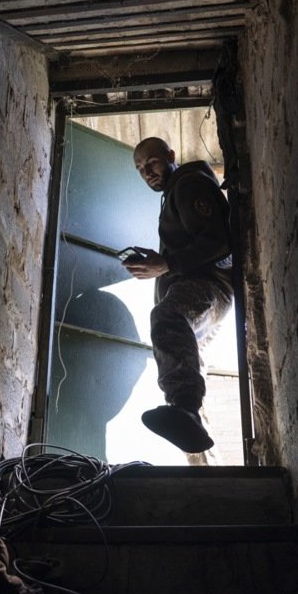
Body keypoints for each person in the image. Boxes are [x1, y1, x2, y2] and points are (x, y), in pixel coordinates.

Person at [123, 136, 234, 453]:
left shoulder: (187, 185)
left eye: (152, 162)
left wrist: (167, 263)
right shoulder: (175, 193)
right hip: (201, 287)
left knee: (168, 316)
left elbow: (219, 243)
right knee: (184, 347)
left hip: (210, 286)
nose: (147, 172)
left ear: (170, 156)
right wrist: (160, 264)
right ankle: (191, 416)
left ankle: (185, 406)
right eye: (141, 169)